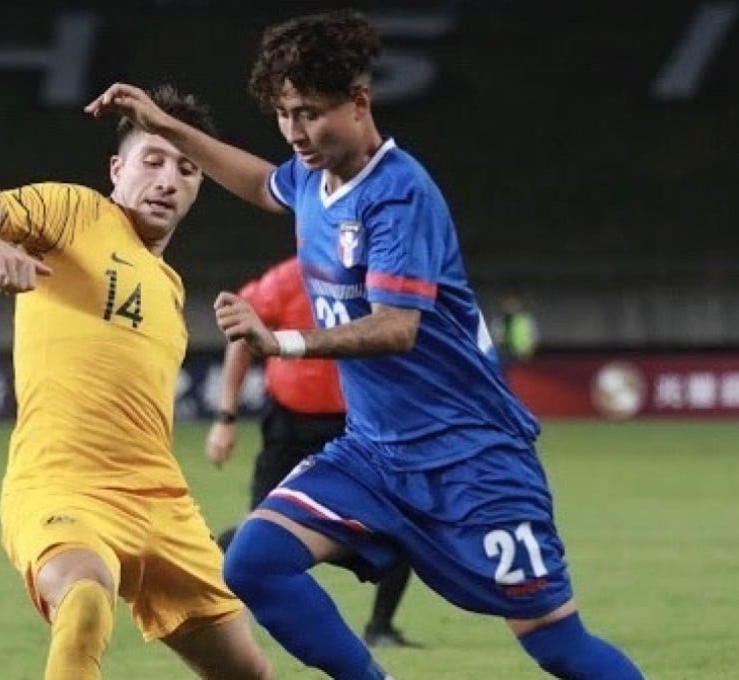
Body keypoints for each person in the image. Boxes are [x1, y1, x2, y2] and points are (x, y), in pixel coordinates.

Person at [85, 10, 646, 680]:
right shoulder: (312, 179)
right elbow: (262, 184)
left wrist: (283, 342)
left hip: (472, 460)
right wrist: (170, 126)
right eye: (285, 114)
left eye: (311, 113)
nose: (296, 132)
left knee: (556, 644)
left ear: (359, 103)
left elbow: (396, 328)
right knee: (254, 563)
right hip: (375, 456)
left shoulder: (398, 194)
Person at [0, 85, 271, 680]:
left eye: (187, 169)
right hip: (63, 486)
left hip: (163, 504)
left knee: (249, 675)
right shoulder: (75, 212)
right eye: (153, 161)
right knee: (85, 600)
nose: (169, 180)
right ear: (116, 169)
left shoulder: (169, 287)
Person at [205, 255, 420, 649]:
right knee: (258, 536)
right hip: (290, 425)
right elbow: (239, 331)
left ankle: (381, 627)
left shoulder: (380, 277)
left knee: (401, 521)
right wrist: (226, 416)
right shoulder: (289, 277)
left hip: (356, 424)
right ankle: (210, 595)